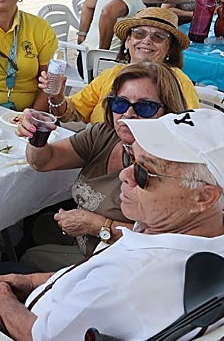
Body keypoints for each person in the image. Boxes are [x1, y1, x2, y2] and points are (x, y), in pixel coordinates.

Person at [0, 109, 224, 341]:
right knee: (11, 269)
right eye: (132, 159)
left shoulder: (131, 278)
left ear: (203, 197)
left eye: (145, 173)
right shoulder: (219, 236)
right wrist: (30, 282)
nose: (125, 175)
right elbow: (94, 280)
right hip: (84, 333)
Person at [17, 63, 190, 273]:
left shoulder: (171, 167)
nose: (128, 114)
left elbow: (167, 244)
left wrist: (98, 225)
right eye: (120, 103)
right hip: (84, 239)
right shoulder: (105, 134)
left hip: (118, 264)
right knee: (36, 226)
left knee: (27, 258)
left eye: (145, 107)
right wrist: (37, 134)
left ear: (169, 112)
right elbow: (43, 161)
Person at [50, 9, 198, 125]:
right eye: (139, 34)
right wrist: (57, 97)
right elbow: (73, 111)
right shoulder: (112, 74)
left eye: (158, 37)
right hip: (99, 148)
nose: (147, 41)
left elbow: (186, 132)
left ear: (170, 49)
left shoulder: (178, 82)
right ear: (127, 41)